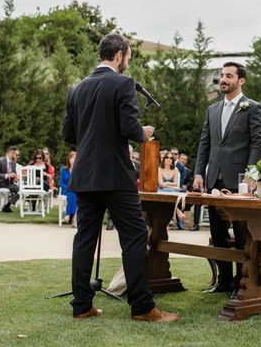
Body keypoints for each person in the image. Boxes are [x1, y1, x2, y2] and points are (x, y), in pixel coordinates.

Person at [62, 32, 179, 322]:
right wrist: (144, 132)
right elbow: (130, 128)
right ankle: (142, 307)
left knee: (84, 239)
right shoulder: (123, 83)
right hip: (114, 175)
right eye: (128, 56)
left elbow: (69, 135)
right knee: (135, 236)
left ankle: (81, 306)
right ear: (119, 55)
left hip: (86, 174)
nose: (127, 61)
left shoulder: (77, 89)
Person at [194, 61, 261, 297]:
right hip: (214, 178)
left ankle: (240, 281)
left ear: (241, 80)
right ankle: (223, 280)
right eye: (221, 75)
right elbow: (205, 143)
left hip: (239, 180)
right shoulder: (212, 110)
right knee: (217, 233)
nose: (223, 79)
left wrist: (250, 174)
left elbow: (258, 143)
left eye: (228, 76)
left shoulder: (253, 108)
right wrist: (198, 172)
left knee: (241, 234)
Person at [59, 151, 77, 227]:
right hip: (65, 190)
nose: (74, 159)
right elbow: (61, 183)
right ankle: (73, 219)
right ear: (69, 159)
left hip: (74, 190)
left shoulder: (78, 170)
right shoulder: (64, 170)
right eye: (73, 157)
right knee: (71, 194)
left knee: (73, 194)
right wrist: (68, 187)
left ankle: (68, 215)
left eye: (76, 158)